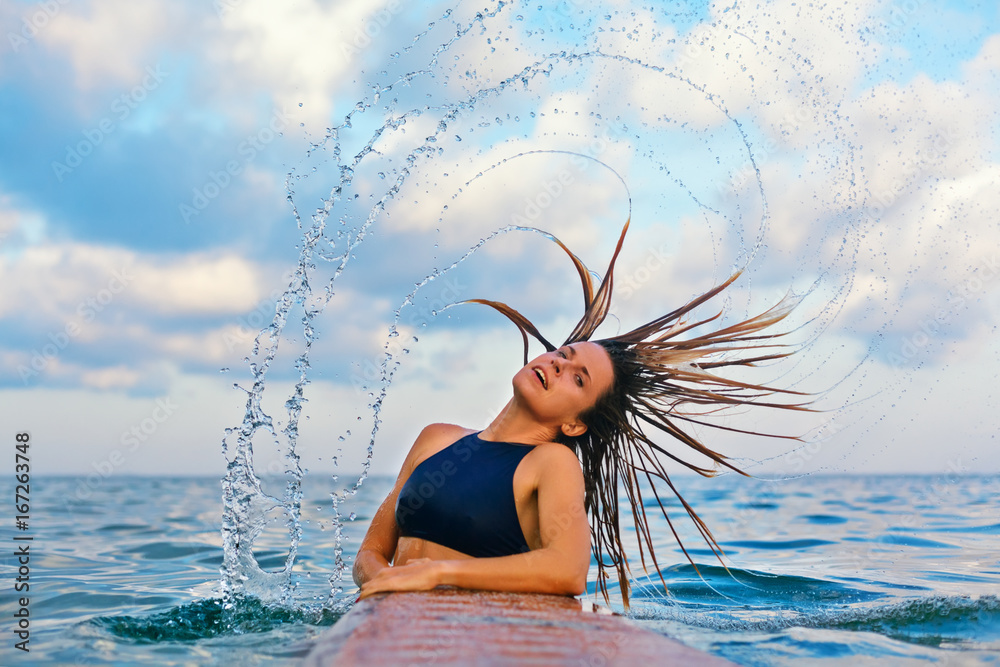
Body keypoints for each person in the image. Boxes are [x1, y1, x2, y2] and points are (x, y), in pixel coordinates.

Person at [353, 220, 808, 607]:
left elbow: (567, 571)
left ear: (574, 424)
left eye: (578, 378)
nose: (558, 363)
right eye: (565, 354)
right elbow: (370, 552)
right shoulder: (436, 438)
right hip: (392, 618)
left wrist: (432, 576)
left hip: (477, 636)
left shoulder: (550, 463)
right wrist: (383, 579)